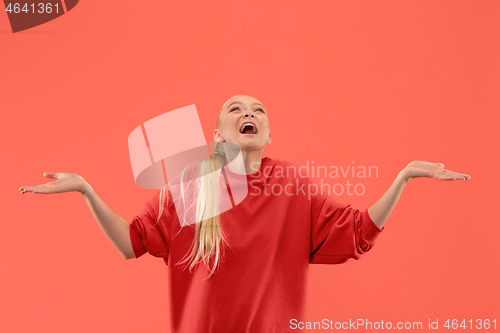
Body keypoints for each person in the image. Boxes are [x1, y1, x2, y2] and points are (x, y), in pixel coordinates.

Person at [18, 94, 471, 333]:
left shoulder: (292, 184)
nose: (248, 113)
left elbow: (355, 234)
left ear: (267, 133)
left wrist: (404, 177)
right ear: (218, 132)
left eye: (258, 109)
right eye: (236, 108)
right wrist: (85, 190)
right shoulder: (191, 185)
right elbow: (131, 243)